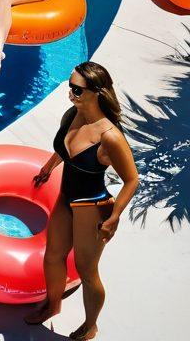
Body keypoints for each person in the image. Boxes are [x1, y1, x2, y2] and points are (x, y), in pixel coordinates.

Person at [26, 62, 139, 340]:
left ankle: (90, 326)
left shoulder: (109, 137)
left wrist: (115, 217)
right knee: (53, 256)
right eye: (70, 87)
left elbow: (131, 180)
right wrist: (49, 167)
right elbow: (65, 149)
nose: (71, 93)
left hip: (92, 206)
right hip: (66, 197)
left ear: (97, 93)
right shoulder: (72, 115)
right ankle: (52, 305)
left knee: (87, 272)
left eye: (77, 90)